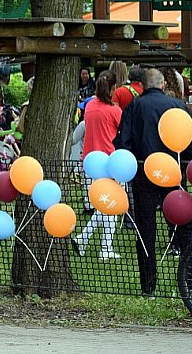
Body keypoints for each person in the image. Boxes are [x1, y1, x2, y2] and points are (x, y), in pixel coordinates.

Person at [114, 68, 192, 296]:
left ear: (141, 86)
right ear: (163, 84)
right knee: (185, 225)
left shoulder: (134, 107)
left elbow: (123, 142)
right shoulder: (178, 106)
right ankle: (190, 280)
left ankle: (148, 284)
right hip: (174, 172)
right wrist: (184, 162)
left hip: (144, 172)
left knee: (146, 230)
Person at [74, 71, 122, 260]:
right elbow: (122, 132)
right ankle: (102, 247)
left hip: (90, 160)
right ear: (112, 89)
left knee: (105, 205)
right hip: (109, 161)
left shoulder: (90, 106)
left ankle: (89, 241)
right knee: (111, 205)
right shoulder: (115, 110)